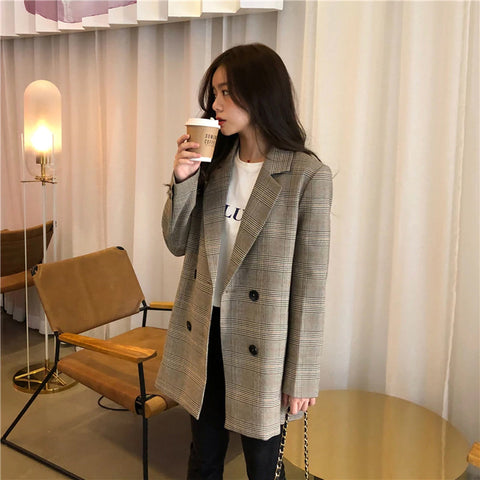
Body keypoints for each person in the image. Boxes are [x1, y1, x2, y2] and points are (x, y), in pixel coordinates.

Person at [155, 43, 332, 480]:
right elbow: (176, 242)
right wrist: (182, 179)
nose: (215, 105)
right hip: (206, 331)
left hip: (263, 340)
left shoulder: (307, 176)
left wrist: (302, 374)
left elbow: (310, 286)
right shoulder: (213, 166)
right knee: (204, 457)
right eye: (214, 93)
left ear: (260, 93)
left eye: (226, 92)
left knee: (263, 466)